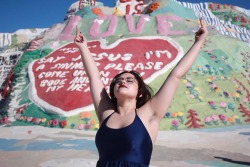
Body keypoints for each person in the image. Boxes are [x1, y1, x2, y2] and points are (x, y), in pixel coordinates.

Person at [74, 19, 208, 167]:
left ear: (139, 93)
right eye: (118, 81)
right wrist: (83, 48)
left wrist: (198, 42)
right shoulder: (105, 113)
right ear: (113, 91)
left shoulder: (149, 113)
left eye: (130, 80)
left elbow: (176, 75)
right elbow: (94, 77)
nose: (122, 81)